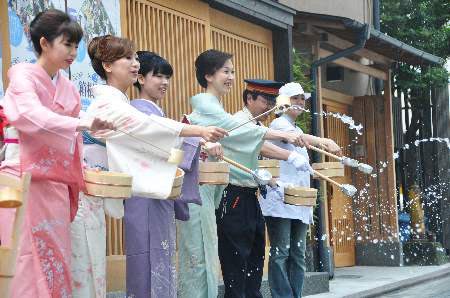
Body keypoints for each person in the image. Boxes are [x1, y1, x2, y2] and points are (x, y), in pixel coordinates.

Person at [70, 36, 226, 297]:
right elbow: (153, 133)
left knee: (96, 271)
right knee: (92, 270)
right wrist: (196, 135)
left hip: (151, 189)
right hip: (130, 195)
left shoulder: (125, 104)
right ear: (108, 66)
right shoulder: (119, 106)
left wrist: (193, 146)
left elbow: (164, 153)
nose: (135, 64)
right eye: (128, 59)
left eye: (136, 59)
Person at [178, 49, 312, 298]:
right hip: (214, 192)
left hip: (223, 192)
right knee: (213, 258)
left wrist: (268, 176)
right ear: (208, 75)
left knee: (246, 258)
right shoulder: (213, 109)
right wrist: (287, 141)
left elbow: (243, 139)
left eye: (232, 72)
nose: (230, 76)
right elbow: (238, 132)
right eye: (225, 71)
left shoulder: (220, 109)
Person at [2, 9, 113, 297]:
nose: (73, 52)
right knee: (27, 259)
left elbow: (73, 142)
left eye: (76, 46)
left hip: (56, 186)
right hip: (24, 182)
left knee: (58, 258)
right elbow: (30, 115)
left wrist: (79, 177)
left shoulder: (70, 90)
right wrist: (80, 123)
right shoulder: (22, 77)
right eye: (67, 44)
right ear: (44, 43)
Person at [124, 51, 223, 297]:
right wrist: (196, 142)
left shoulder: (157, 113)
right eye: (157, 76)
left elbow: (171, 157)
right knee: (146, 256)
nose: (164, 82)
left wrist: (194, 146)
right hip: (143, 194)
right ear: (140, 79)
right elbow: (163, 152)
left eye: (167, 77)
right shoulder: (137, 111)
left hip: (160, 194)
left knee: (162, 254)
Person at [259, 82, 337, 297]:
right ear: (283, 102)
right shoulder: (278, 125)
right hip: (280, 199)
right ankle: (282, 295)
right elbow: (297, 139)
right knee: (281, 252)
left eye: (302, 99)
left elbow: (300, 158)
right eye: (295, 98)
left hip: (300, 201)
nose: (300, 103)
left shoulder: (297, 128)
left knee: (299, 252)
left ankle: (296, 294)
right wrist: (324, 140)